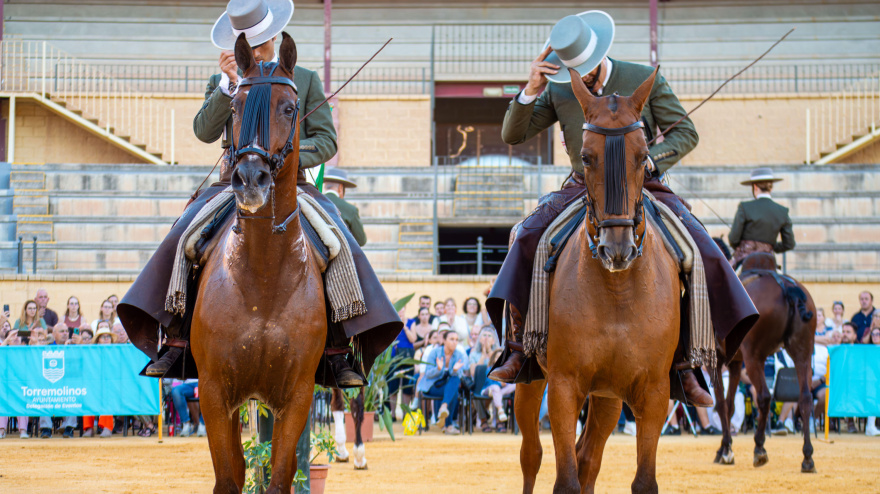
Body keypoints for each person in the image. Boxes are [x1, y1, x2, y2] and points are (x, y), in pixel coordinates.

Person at [118, 0, 401, 387]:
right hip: (233, 181)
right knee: (185, 235)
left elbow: (327, 139)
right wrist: (227, 88)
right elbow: (204, 132)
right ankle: (178, 339)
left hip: (291, 183)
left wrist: (286, 158)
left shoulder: (302, 77)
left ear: (271, 38)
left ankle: (337, 349)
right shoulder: (228, 79)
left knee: (337, 242)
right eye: (244, 44)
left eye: (255, 42)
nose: (251, 49)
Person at [487, 10, 757, 407]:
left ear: (600, 53)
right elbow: (513, 134)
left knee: (701, 249)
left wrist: (652, 160)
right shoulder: (562, 88)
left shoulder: (641, 78)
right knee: (523, 235)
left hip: (640, 184)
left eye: (588, 70)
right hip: (583, 187)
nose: (585, 78)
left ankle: (689, 362)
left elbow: (686, 132)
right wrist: (531, 88)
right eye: (574, 71)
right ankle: (517, 347)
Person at [728, 168, 795, 266]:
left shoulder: (744, 207)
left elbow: (733, 239)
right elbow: (789, 244)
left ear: (755, 187)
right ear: (771, 188)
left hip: (745, 259)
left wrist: (746, 245)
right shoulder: (782, 211)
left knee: (726, 279)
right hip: (768, 259)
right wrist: (770, 246)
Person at [418, 331, 467, 435]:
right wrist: (438, 369)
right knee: (453, 391)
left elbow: (460, 374)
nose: (455, 342)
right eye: (451, 339)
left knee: (455, 381)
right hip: (432, 386)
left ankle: (444, 410)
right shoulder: (435, 353)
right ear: (444, 341)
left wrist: (454, 370)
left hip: (448, 387)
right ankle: (448, 425)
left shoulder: (459, 355)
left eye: (456, 340)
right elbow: (428, 374)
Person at [83, 325, 117, 438]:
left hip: (112, 385)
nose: (106, 339)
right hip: (94, 385)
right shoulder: (91, 353)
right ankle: (88, 428)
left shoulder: (117, 352)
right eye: (103, 337)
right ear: (98, 341)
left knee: (107, 393)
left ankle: (107, 427)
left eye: (108, 337)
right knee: (87, 393)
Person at [322, 167, 367, 247]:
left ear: (325, 186)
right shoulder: (351, 209)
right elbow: (361, 240)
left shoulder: (314, 202)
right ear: (340, 188)